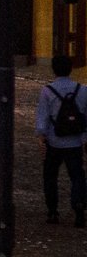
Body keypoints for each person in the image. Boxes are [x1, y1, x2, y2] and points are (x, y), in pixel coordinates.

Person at [39, 55, 87, 228]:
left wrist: (42, 137)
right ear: (71, 68)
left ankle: (52, 211)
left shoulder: (47, 91)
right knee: (77, 176)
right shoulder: (82, 90)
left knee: (50, 176)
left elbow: (43, 117)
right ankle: (79, 204)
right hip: (74, 142)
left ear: (53, 69)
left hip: (54, 141)